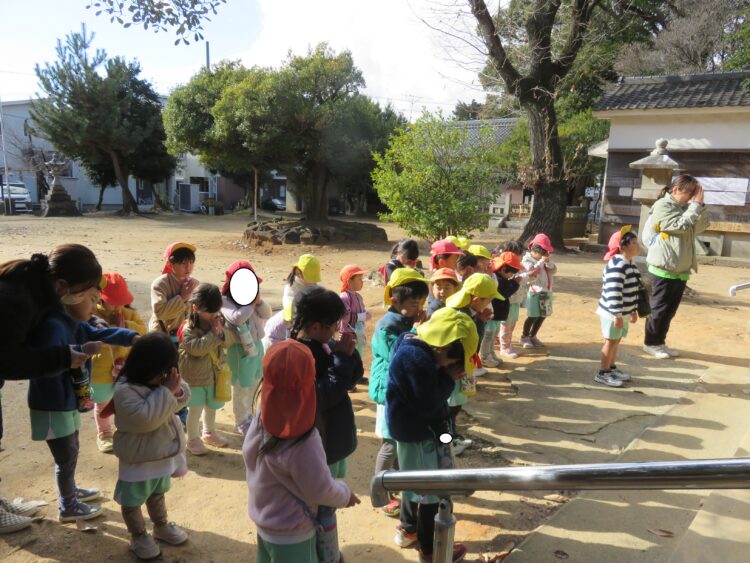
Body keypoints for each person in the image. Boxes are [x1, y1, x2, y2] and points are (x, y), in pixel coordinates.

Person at [27, 244, 139, 522]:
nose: (94, 306)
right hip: (52, 404)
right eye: (91, 299)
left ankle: (71, 491)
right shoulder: (52, 325)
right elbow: (45, 363)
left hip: (68, 401)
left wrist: (132, 338)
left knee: (72, 449)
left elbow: (98, 332)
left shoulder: (71, 319)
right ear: (69, 293)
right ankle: (67, 505)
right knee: (65, 456)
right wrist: (77, 353)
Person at [243, 340, 360, 563]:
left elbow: (248, 456)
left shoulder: (261, 420)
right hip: (293, 535)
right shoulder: (305, 440)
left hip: (264, 524)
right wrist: (345, 495)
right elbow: (321, 490)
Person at [0, 255, 88, 533]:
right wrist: (63, 358)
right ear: (62, 284)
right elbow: (8, 361)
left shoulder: (33, 293)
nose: (85, 298)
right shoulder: (17, 300)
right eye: (83, 291)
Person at [387, 306, 476, 563]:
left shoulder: (415, 345)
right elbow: (428, 403)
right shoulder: (416, 359)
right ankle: (429, 550)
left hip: (425, 433)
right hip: (419, 435)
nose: (453, 367)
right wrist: (447, 378)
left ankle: (408, 530)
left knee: (413, 483)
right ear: (443, 348)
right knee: (430, 492)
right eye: (453, 362)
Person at [290, 286, 364, 563]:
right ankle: (328, 556)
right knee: (322, 504)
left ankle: (325, 552)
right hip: (320, 442)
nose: (336, 331)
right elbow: (324, 395)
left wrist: (348, 354)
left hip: (330, 439)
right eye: (333, 326)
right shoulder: (300, 355)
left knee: (323, 501)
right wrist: (340, 358)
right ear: (316, 327)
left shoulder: (324, 344)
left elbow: (350, 380)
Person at [112, 333, 191, 559]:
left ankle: (161, 526)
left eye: (169, 371)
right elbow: (145, 419)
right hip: (139, 459)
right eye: (162, 372)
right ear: (146, 367)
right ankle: (138, 536)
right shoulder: (125, 390)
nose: (166, 376)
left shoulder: (163, 381)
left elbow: (183, 397)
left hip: (162, 454)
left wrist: (177, 390)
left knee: (157, 493)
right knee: (132, 501)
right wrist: (167, 392)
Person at [369, 268, 430, 522]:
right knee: (389, 443)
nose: (419, 308)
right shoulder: (388, 325)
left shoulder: (405, 320)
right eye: (414, 303)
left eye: (422, 303)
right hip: (388, 391)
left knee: (396, 442)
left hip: (399, 390)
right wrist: (416, 331)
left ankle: (394, 483)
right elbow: (396, 355)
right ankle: (381, 495)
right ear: (395, 300)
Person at [642, 175, 709, 359]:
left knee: (669, 311)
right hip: (663, 267)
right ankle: (650, 343)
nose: (692, 197)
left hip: (680, 269)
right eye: (690, 192)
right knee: (659, 309)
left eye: (695, 193)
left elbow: (700, 227)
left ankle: (660, 343)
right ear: (676, 189)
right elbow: (678, 225)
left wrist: (701, 206)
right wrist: (695, 207)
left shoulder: (687, 207)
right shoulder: (662, 205)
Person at [445, 273, 503, 454]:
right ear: (477, 299)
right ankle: (449, 443)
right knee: (450, 409)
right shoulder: (462, 317)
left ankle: (452, 437)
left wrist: (479, 320)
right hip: (455, 370)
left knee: (454, 407)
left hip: (462, 368)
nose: (489, 304)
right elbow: (472, 345)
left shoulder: (465, 311)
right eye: (488, 300)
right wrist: (480, 322)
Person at [90, 272, 148, 453]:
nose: (117, 307)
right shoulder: (92, 314)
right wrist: (113, 330)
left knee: (125, 401)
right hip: (99, 369)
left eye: (120, 302)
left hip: (124, 368)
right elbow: (91, 336)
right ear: (101, 297)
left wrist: (126, 326)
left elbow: (143, 332)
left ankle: (125, 430)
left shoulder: (130, 314)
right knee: (102, 402)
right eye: (113, 302)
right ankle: (104, 433)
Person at [221, 261, 272, 431]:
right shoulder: (225, 301)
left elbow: (267, 313)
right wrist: (250, 304)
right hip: (239, 349)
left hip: (256, 346)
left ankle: (250, 415)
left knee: (255, 382)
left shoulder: (254, 300)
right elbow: (237, 318)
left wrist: (258, 302)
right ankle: (241, 420)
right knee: (242, 385)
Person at [178, 283, 229, 455]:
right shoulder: (188, 328)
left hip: (213, 374)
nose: (214, 315)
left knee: (211, 407)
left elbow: (227, 340)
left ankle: (209, 432)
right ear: (196, 308)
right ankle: (192, 439)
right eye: (210, 312)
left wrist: (221, 332)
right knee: (195, 410)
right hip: (194, 378)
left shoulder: (218, 320)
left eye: (216, 311)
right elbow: (196, 349)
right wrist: (215, 334)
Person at [595, 227, 642, 387]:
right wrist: (617, 315)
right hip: (613, 313)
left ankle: (611, 368)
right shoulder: (617, 265)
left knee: (616, 341)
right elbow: (613, 291)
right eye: (633, 243)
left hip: (623, 313)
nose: (637, 245)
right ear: (622, 247)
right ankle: (603, 373)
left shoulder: (630, 264)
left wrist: (633, 310)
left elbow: (633, 289)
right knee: (611, 341)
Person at [149, 242, 198, 338]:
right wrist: (183, 297)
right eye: (183, 263)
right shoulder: (160, 284)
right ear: (170, 264)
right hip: (162, 335)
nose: (188, 267)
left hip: (186, 335)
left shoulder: (195, 284)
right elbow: (160, 313)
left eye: (191, 262)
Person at [482, 252, 523, 366]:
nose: (512, 275)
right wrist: (515, 284)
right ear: (504, 269)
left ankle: (491, 354)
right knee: (488, 336)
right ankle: (485, 357)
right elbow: (503, 293)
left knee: (493, 335)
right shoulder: (496, 278)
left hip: (497, 314)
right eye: (512, 272)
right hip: (492, 314)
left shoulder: (500, 277)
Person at [520, 234, 557, 349]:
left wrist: (548, 262)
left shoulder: (544, 259)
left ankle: (533, 336)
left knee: (543, 315)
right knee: (533, 315)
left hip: (546, 290)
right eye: (542, 252)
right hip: (534, 291)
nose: (544, 255)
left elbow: (553, 270)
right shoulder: (527, 259)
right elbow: (532, 272)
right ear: (533, 250)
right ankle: (525, 336)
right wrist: (541, 261)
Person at [496, 241, 525, 359]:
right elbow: (504, 288)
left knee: (512, 324)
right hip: (508, 301)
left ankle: (508, 344)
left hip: (516, 300)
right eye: (520, 254)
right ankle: (504, 348)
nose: (522, 256)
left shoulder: (518, 266)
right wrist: (515, 282)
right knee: (505, 325)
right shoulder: (506, 268)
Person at [338, 264, 371, 359]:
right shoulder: (344, 297)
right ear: (349, 281)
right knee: (347, 361)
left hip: (358, 337)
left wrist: (365, 315)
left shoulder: (358, 297)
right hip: (347, 339)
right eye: (359, 279)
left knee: (358, 360)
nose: (362, 281)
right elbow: (345, 318)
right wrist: (363, 316)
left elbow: (363, 313)